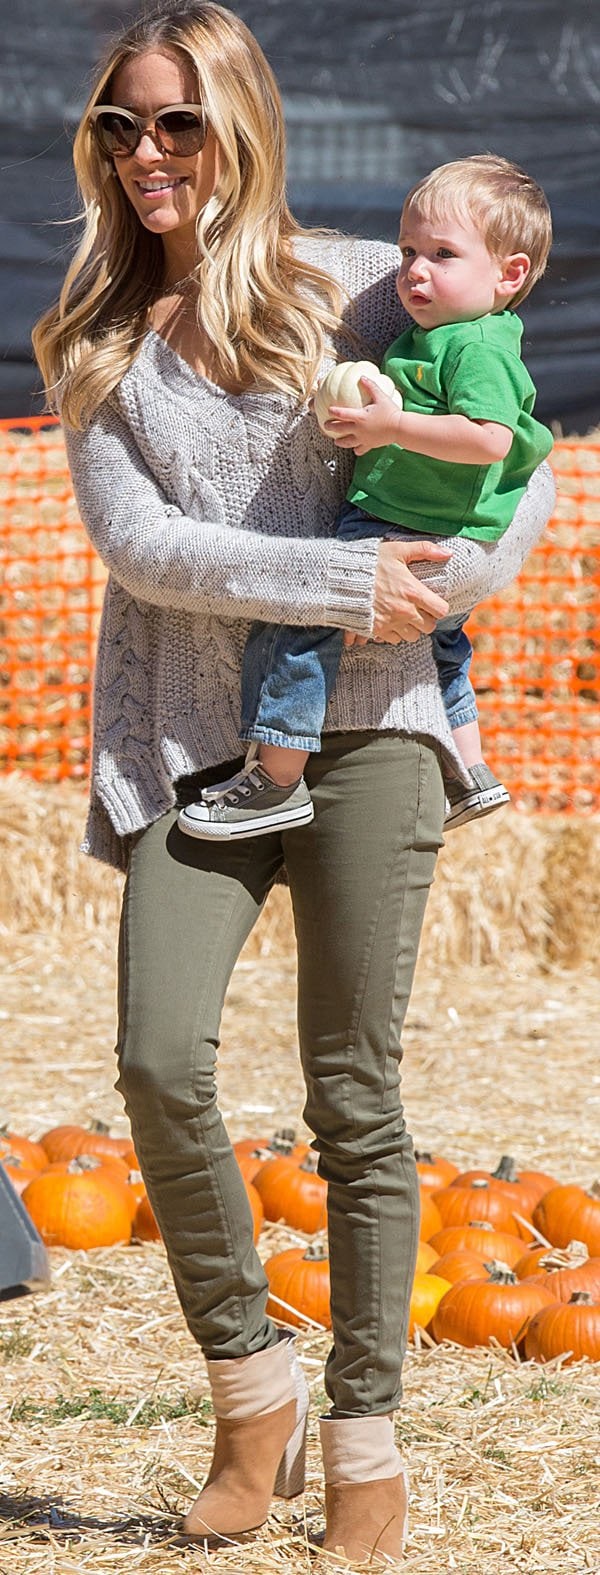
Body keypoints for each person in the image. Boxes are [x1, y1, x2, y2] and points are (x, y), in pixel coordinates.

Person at [32, 2, 555, 1563]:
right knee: (155, 1056)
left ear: (241, 125)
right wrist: (340, 577)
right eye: (121, 126)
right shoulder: (102, 338)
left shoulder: (362, 284)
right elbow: (147, 549)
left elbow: (510, 460)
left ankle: (369, 1439)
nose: (146, 156)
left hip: (379, 728)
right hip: (196, 743)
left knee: (354, 1090)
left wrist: (442, 584)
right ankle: (250, 1373)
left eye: (176, 124)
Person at [180, 154, 553, 845]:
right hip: (428, 527)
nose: (412, 268)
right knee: (446, 651)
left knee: (300, 623)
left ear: (510, 275)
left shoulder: (475, 346)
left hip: (401, 527)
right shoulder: (434, 335)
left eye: (443, 254)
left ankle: (277, 780)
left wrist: (391, 427)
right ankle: (471, 772)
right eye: (410, 249)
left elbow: (490, 440)